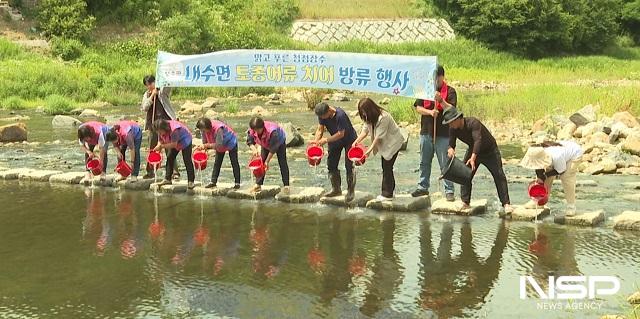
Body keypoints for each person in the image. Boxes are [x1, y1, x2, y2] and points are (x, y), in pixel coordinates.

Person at [442, 107, 514, 213]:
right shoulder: (453, 128)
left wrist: (473, 157)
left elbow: (478, 140)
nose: (450, 125)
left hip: (490, 150)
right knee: (464, 174)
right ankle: (465, 202)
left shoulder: (473, 123)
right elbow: (451, 143)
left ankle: (506, 203)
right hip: (473, 150)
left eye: (450, 122)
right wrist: (450, 149)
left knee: (498, 175)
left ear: (457, 118)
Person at [412, 65, 456, 201]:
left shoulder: (450, 91)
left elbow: (453, 109)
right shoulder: (425, 90)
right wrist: (430, 112)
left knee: (445, 163)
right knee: (424, 162)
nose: (435, 80)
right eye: (433, 77)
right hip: (426, 132)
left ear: (442, 77)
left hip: (443, 133)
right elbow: (417, 107)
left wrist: (441, 101)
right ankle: (423, 187)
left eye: (437, 77)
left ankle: (449, 190)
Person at [352, 97, 404, 201]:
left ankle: (387, 194)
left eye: (364, 111)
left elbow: (378, 137)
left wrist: (369, 151)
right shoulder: (368, 117)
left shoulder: (383, 117)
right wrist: (356, 141)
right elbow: (365, 131)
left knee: (387, 167)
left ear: (370, 109)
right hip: (385, 144)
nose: (363, 114)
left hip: (393, 143)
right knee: (386, 167)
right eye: (361, 112)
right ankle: (390, 192)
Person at [520, 140, 583, 216]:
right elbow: (538, 166)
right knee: (546, 177)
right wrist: (541, 178)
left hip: (574, 154)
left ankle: (571, 206)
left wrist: (546, 175)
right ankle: (539, 201)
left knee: (566, 177)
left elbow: (561, 171)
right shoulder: (539, 154)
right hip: (561, 154)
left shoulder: (557, 156)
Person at [313, 102, 358, 201]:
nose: (322, 118)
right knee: (331, 164)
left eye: (323, 116)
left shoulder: (340, 115)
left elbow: (341, 134)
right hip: (335, 140)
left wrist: (326, 140)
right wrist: (316, 143)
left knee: (349, 165)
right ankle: (336, 189)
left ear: (329, 110)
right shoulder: (322, 114)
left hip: (349, 140)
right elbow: (320, 129)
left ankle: (350, 191)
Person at [141, 75, 178, 180]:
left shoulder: (162, 91)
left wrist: (166, 76)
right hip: (152, 125)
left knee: (168, 147)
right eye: (148, 85)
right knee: (152, 147)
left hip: (165, 125)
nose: (150, 87)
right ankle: (150, 171)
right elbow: (144, 107)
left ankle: (174, 172)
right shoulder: (147, 94)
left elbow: (168, 86)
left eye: (151, 84)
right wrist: (152, 96)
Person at [246, 117, 290, 194]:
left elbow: (273, 148)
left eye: (258, 130)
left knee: (282, 162)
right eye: (254, 130)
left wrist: (267, 161)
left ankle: (286, 185)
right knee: (261, 162)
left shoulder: (272, 132)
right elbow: (250, 141)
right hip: (265, 143)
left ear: (262, 127)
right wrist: (254, 149)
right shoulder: (252, 130)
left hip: (279, 142)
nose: (256, 132)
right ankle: (258, 184)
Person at [195, 117, 241, 189]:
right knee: (217, 163)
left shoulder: (218, 129)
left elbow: (219, 144)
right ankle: (213, 182)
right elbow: (204, 139)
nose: (202, 131)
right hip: (219, 143)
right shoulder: (203, 129)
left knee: (234, 162)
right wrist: (204, 148)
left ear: (208, 127)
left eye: (203, 130)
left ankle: (237, 183)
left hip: (230, 141)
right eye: (201, 130)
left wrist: (206, 145)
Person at [152, 119, 195, 189]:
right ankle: (167, 179)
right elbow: (160, 140)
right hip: (174, 141)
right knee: (170, 157)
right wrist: (158, 145)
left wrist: (162, 146)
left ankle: (191, 181)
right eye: (157, 132)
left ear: (164, 128)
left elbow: (174, 145)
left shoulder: (174, 130)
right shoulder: (160, 129)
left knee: (187, 160)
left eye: (160, 131)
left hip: (185, 139)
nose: (159, 133)